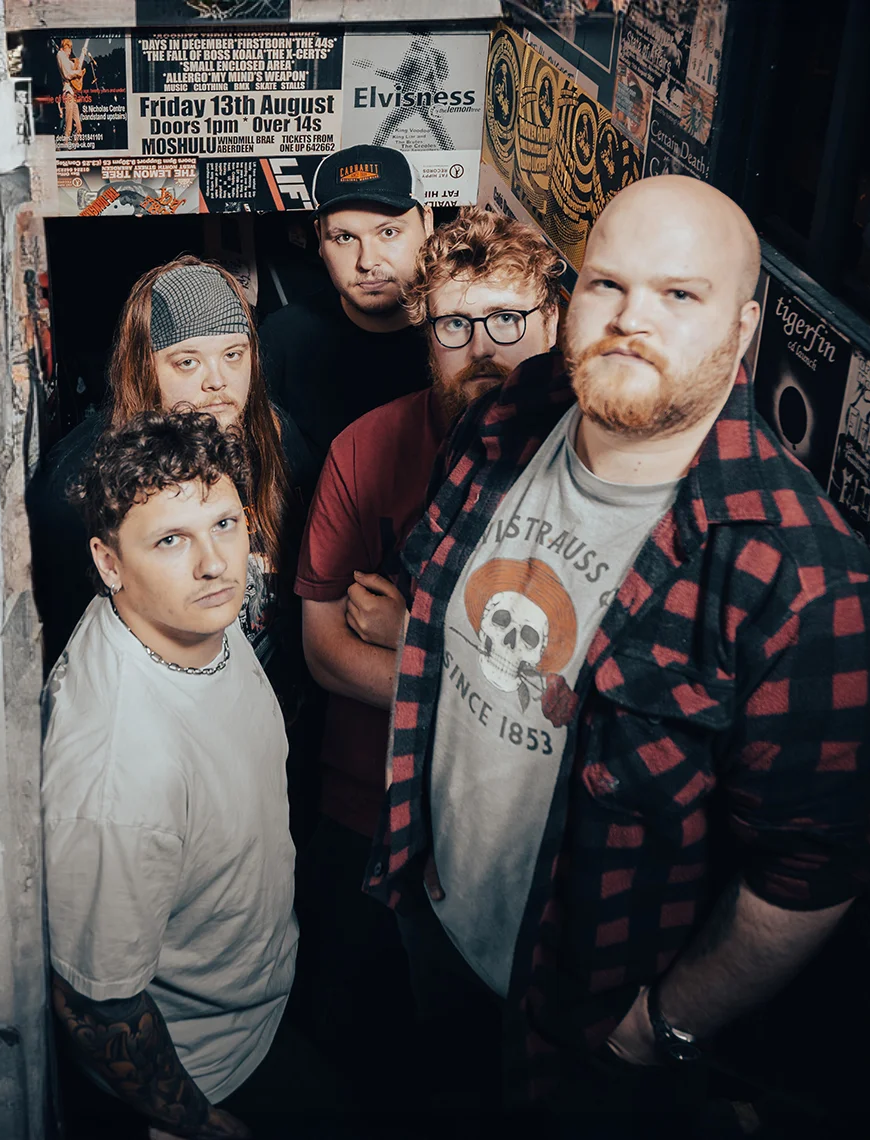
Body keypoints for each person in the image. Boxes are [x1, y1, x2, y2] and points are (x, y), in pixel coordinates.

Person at [366, 176, 870, 1123]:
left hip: (583, 1027)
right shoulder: (511, 416)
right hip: (433, 915)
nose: (630, 320)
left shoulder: (804, 586)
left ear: (742, 331)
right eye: (606, 285)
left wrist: (660, 1026)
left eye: (679, 295)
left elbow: (810, 876)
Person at [291, 208, 563, 1077]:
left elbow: (574, 699)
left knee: (477, 1067)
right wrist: (480, 684)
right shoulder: (364, 449)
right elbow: (326, 652)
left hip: (506, 831)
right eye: (455, 323)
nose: (481, 346)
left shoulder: (591, 477)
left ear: (552, 324)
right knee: (348, 1041)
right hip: (361, 798)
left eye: (507, 320)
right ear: (426, 329)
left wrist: (415, 640)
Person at [43, 409, 332, 1138]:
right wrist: (199, 1121)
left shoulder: (197, 612)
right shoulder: (121, 776)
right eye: (171, 540)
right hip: (209, 1069)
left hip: (263, 995)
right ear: (110, 564)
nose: (214, 563)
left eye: (226, 525)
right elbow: (97, 1007)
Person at [26, 257, 312, 724]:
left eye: (234, 355)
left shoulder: (276, 437)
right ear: (145, 368)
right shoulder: (80, 483)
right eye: (187, 361)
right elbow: (71, 655)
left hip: (270, 721)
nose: (217, 380)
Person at [258, 144, 435, 480]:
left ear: (427, 223)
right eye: (343, 238)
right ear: (319, 241)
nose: (367, 260)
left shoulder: (461, 335)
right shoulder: (281, 340)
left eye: (388, 232)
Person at [56, 37, 84, 141]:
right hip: (68, 92)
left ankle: (73, 146)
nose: (70, 52)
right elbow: (67, 74)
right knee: (68, 123)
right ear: (64, 47)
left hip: (72, 93)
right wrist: (78, 73)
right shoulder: (60, 55)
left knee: (77, 125)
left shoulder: (66, 59)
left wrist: (82, 54)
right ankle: (64, 144)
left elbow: (77, 67)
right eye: (69, 49)